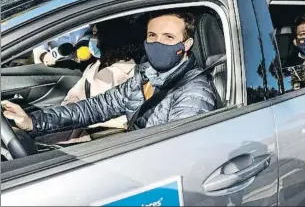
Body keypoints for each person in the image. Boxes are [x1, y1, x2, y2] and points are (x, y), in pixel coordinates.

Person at [3, 9, 217, 137]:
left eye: (169, 37)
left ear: (186, 44)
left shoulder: (194, 94)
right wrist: (34, 121)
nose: (157, 42)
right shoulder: (144, 75)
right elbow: (96, 107)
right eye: (152, 35)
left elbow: (179, 156)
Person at [35, 19, 143, 144]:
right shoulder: (95, 65)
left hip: (95, 141)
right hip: (71, 127)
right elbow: (72, 97)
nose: (92, 39)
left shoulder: (130, 74)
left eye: (95, 35)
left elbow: (124, 121)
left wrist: (83, 123)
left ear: (110, 38)